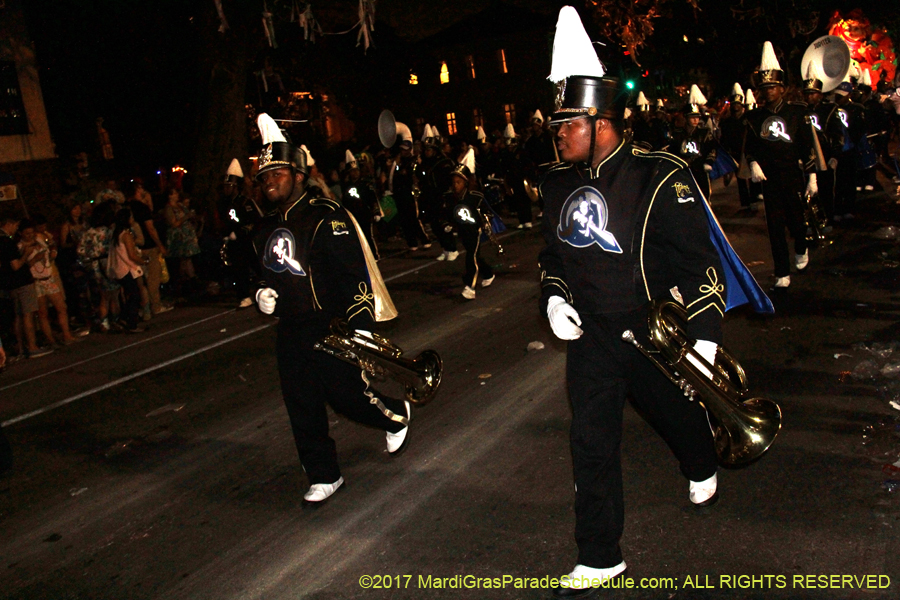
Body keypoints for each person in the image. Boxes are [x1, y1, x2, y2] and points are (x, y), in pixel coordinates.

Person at [537, 8, 771, 597]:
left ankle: (701, 460)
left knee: (673, 412)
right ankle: (600, 554)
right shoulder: (556, 182)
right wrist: (555, 300)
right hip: (589, 337)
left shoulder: (659, 176)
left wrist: (706, 341)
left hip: (649, 329)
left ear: (600, 120)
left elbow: (700, 267)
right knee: (589, 440)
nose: (557, 134)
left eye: (566, 123)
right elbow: (552, 258)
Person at [252, 113, 412, 507]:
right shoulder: (263, 228)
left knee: (345, 394)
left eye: (278, 173)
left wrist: (359, 327)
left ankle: (394, 413)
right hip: (291, 326)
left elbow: (353, 275)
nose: (270, 181)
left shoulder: (327, 215)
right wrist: (261, 294)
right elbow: (263, 272)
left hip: (330, 323)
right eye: (265, 176)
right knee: (300, 402)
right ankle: (324, 474)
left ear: (298, 174)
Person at [744, 41, 815, 289]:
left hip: (793, 175)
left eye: (773, 86)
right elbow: (750, 147)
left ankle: (802, 245)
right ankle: (782, 272)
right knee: (774, 227)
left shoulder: (797, 113)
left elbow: (808, 147)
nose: (769, 91)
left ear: (782, 88)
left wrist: (813, 176)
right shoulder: (755, 118)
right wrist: (753, 163)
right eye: (765, 87)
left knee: (797, 222)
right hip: (770, 179)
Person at [19, 218, 78, 345]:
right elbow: (22, 266)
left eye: (31, 232)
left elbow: (50, 247)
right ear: (21, 234)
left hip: (48, 276)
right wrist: (34, 258)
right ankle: (51, 340)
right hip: (36, 281)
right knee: (42, 312)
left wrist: (52, 254)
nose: (30, 235)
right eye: (27, 233)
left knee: (61, 307)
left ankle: (67, 335)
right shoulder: (20, 247)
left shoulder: (39, 239)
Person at [0, 215, 51, 358]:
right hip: (21, 281)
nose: (16, 229)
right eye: (15, 226)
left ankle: (21, 348)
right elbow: (15, 265)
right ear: (9, 224)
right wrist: (26, 254)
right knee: (27, 314)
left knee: (18, 316)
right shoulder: (7, 242)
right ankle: (32, 346)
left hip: (9, 283)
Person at [445, 151, 494, 300]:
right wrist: (449, 225)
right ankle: (488, 273)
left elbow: (488, 212)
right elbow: (450, 215)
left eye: (458, 182)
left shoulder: (475, 197)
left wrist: (485, 222)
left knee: (470, 257)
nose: (455, 185)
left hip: (475, 231)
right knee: (475, 256)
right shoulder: (451, 198)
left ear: (465, 182)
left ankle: (470, 287)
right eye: (453, 182)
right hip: (462, 232)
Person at [219, 158, 262, 308]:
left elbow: (255, 221)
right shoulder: (225, 203)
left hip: (248, 242)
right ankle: (244, 295)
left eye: (229, 186)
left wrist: (238, 232)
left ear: (235, 186)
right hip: (235, 243)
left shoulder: (245, 203)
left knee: (258, 266)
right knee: (239, 269)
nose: (226, 189)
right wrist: (226, 234)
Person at [665, 84, 716, 199]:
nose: (695, 120)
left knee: (704, 196)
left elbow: (712, 148)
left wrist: (708, 162)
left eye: (697, 117)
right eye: (692, 117)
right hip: (684, 171)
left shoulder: (704, 133)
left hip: (700, 169)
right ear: (686, 118)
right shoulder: (678, 134)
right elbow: (672, 150)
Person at [108, 208, 150, 333]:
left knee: (130, 295)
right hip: (127, 269)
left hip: (119, 269)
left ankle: (124, 318)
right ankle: (132, 323)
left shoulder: (116, 234)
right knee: (134, 296)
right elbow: (131, 255)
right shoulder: (126, 235)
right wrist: (144, 261)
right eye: (130, 217)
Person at [162, 188, 201, 287]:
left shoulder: (181, 205)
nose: (177, 195)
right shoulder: (169, 208)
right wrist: (186, 217)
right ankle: (183, 280)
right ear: (169, 196)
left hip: (187, 236)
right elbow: (174, 223)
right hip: (178, 237)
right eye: (174, 193)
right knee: (181, 259)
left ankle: (191, 278)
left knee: (188, 258)